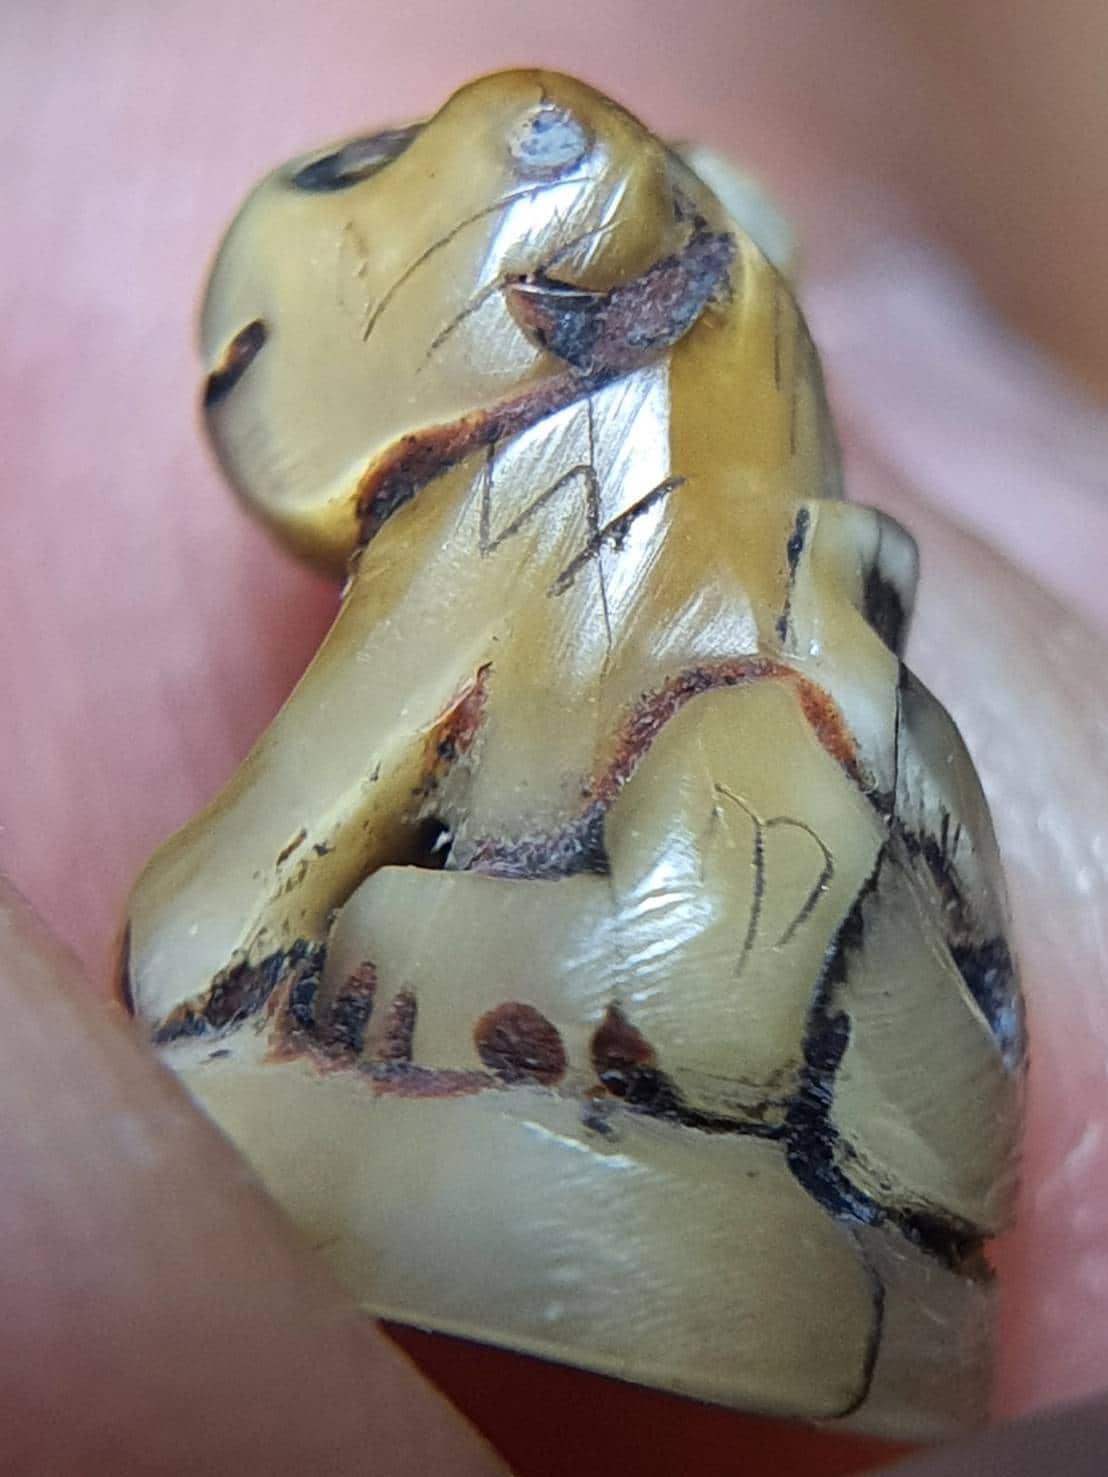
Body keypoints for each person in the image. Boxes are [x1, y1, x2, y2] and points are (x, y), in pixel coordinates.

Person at [3, 4, 1106, 1472]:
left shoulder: (756, 666)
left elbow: (698, 997)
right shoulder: (494, 582)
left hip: (801, 1164)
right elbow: (199, 934)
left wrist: (387, 930)